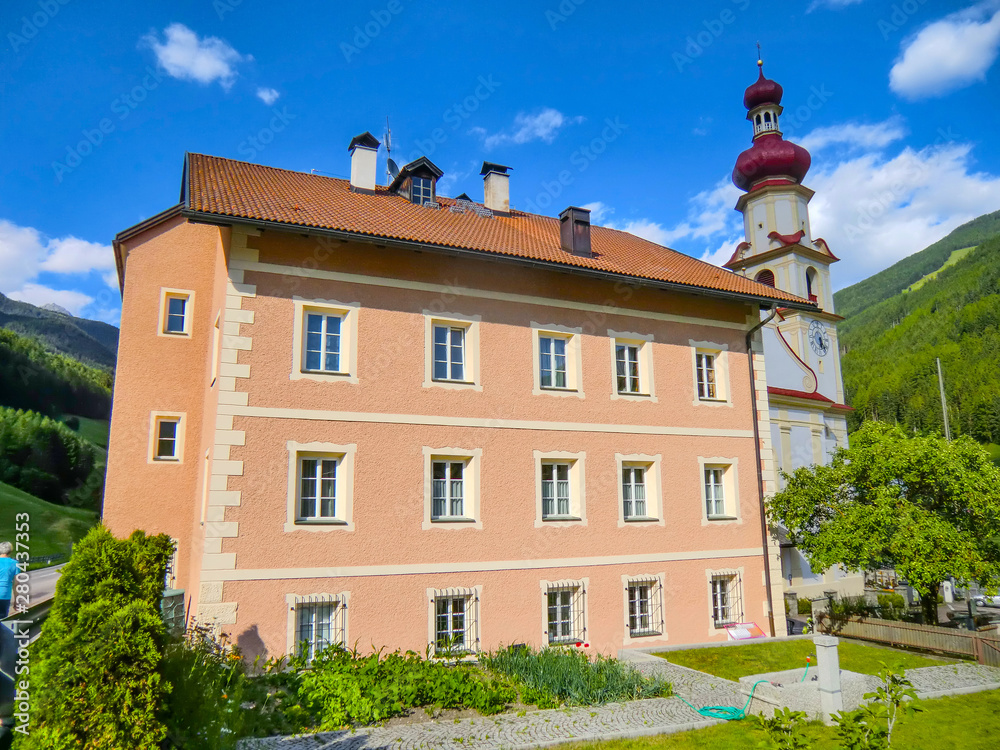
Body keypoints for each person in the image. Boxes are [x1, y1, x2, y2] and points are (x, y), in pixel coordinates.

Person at [0, 542, 18, 619]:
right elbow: (16, 584)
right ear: (10, 551)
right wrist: (16, 601)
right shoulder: (14, 563)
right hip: (4, 595)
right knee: (2, 621)